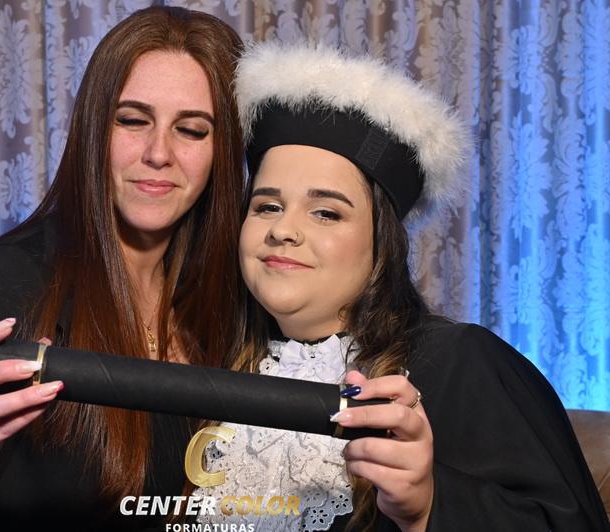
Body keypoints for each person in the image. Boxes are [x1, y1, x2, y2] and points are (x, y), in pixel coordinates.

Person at [193, 42, 609, 531]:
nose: (284, 230)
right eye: (267, 206)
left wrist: (428, 505)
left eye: (326, 212)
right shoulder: (213, 359)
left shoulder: (463, 362)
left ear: (381, 244)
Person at [0, 7, 245, 530]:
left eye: (192, 130)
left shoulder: (233, 298)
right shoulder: (8, 284)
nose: (159, 153)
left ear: (224, 151)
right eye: (132, 120)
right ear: (93, 129)